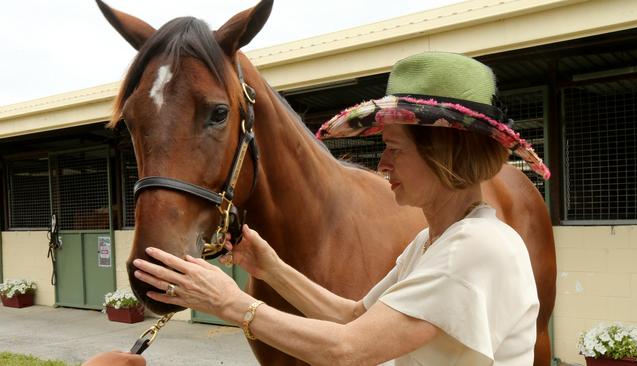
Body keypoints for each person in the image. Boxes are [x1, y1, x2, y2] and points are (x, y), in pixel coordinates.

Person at [107, 52, 550, 365]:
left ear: (443, 156)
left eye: (395, 150)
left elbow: (349, 349)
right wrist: (271, 267)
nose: (382, 164)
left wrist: (229, 302)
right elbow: (355, 315)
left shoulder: (472, 251)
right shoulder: (433, 243)